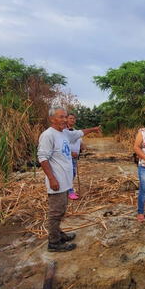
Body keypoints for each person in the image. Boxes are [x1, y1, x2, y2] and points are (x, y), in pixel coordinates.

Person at [38, 107, 101, 252]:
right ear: (52, 119)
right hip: (57, 182)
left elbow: (80, 133)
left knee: (61, 210)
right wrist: (52, 179)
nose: (65, 120)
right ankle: (53, 243)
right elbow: (42, 158)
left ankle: (59, 234)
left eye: (66, 117)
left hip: (65, 182)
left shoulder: (64, 133)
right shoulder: (48, 135)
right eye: (61, 117)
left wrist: (93, 129)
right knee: (55, 212)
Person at [65, 113, 82, 200]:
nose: (72, 120)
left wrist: (81, 147)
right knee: (69, 174)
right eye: (70, 118)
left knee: (73, 174)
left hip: (75, 157)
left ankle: (69, 190)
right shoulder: (64, 131)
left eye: (74, 118)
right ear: (66, 119)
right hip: (67, 157)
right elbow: (62, 145)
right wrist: (71, 153)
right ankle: (69, 192)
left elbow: (79, 141)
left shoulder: (74, 131)